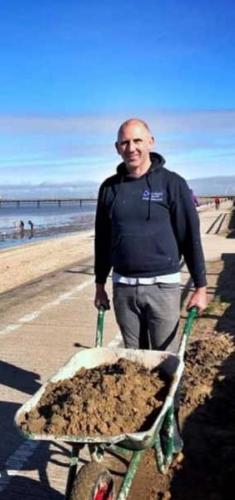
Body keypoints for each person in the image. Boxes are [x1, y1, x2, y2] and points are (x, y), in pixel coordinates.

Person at [94, 118, 208, 451]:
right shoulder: (109, 188)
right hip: (123, 288)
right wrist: (100, 283)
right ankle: (137, 425)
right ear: (117, 148)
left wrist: (201, 286)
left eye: (137, 141)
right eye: (125, 142)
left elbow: (191, 238)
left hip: (163, 288)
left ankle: (168, 430)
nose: (131, 148)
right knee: (133, 362)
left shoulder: (172, 184)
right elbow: (102, 240)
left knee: (165, 363)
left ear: (151, 142)